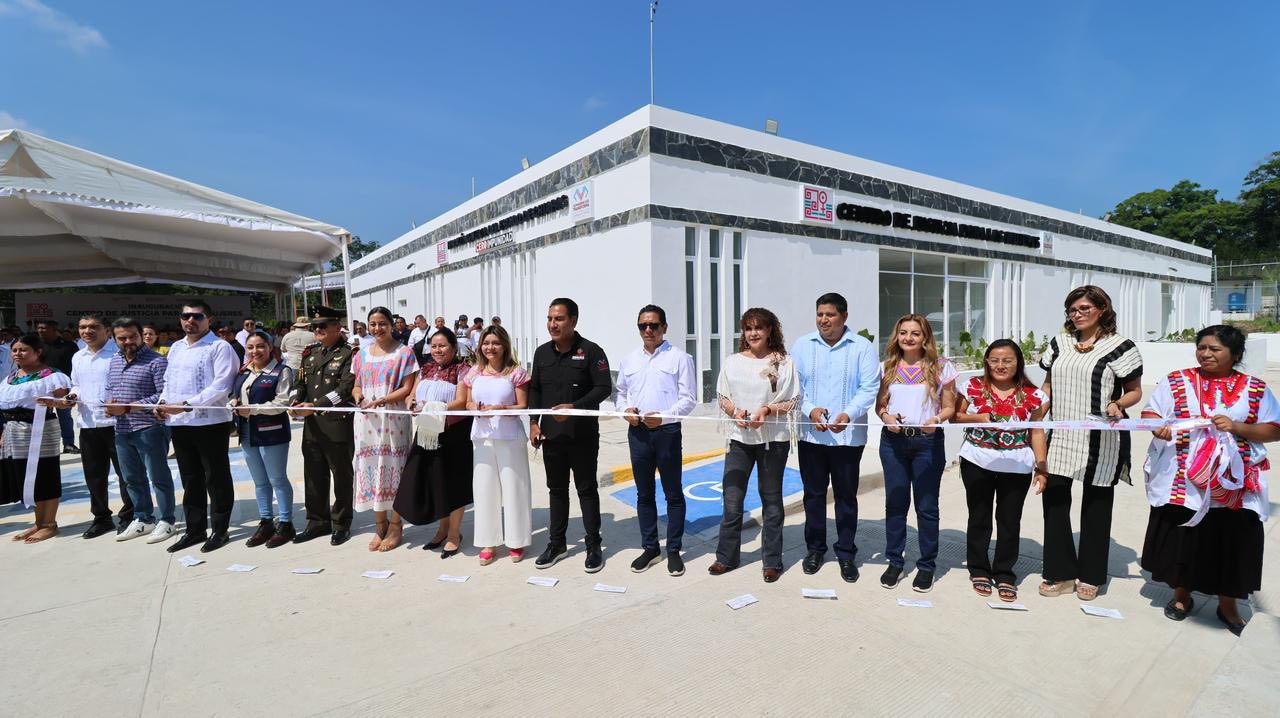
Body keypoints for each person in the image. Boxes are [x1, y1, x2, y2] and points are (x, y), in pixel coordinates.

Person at [1140, 325, 1279, 635]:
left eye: (1214, 349)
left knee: (1231, 542)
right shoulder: (1177, 381)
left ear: (1236, 354)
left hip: (1233, 483)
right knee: (1184, 537)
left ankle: (1227, 604)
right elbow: (1151, 412)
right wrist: (1158, 426)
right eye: (1202, 347)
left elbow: (1274, 428)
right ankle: (1181, 595)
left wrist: (1238, 427)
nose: (1205, 354)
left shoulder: (1254, 389)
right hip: (1183, 479)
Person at [1037, 285, 1143, 600]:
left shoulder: (1121, 346)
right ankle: (1061, 573)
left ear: (1102, 310)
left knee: (1096, 508)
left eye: (1085, 308)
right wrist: (1031, 415)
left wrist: (1119, 405)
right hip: (1060, 436)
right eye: (1073, 309)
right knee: (1055, 504)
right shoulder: (1060, 342)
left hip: (1101, 438)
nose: (1078, 314)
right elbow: (1047, 385)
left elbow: (1134, 390)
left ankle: (1092, 574)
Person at [791, 292, 880, 583]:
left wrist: (848, 414)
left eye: (830, 315)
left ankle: (845, 553)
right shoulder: (802, 345)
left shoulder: (862, 347)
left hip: (847, 438)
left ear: (844, 317)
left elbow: (869, 388)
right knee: (814, 496)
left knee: (845, 497)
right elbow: (796, 387)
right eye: (820, 314)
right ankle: (815, 549)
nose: (824, 320)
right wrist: (810, 410)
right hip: (811, 435)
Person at [952, 339, 1048, 602]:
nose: (1000, 365)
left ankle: (1005, 572)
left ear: (1018, 363)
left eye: (1007, 360)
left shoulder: (1033, 395)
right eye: (994, 360)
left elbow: (1037, 431)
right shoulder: (972, 387)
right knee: (979, 516)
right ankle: (979, 568)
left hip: (1017, 466)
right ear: (986, 362)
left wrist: (1042, 468)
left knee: (1009, 520)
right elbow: (955, 417)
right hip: (976, 460)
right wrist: (979, 418)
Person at [709, 308, 799, 582]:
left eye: (759, 328)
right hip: (739, 439)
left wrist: (768, 411)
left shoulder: (784, 362)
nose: (753, 333)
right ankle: (726, 557)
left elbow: (793, 400)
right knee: (733, 499)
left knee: (771, 500)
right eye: (748, 328)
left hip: (773, 441)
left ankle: (772, 561)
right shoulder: (733, 361)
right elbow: (723, 396)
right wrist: (734, 411)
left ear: (770, 330)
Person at [874, 313, 957, 593]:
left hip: (927, 443)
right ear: (897, 336)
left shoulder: (941, 367)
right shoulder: (887, 367)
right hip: (893, 444)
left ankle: (926, 566)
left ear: (925, 338)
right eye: (903, 332)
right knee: (895, 504)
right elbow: (880, 406)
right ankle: (895, 561)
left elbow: (949, 407)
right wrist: (886, 417)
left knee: (926, 506)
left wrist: (936, 420)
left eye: (915, 333)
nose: (908, 338)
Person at [529, 298, 612, 572]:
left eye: (559, 319)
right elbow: (536, 391)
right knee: (556, 490)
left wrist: (574, 408)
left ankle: (593, 545)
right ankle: (557, 544)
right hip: (551, 437)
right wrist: (533, 423)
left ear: (573, 321)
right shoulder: (541, 354)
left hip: (583, 436)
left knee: (586, 489)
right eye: (550, 318)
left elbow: (603, 388)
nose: (553, 324)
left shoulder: (591, 351)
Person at [616, 304, 697, 576]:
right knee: (643, 493)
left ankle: (673, 550)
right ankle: (650, 548)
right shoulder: (629, 360)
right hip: (638, 433)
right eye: (643, 326)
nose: (648, 330)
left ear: (664, 327)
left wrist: (663, 417)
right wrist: (624, 411)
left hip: (667, 433)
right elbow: (621, 394)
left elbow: (689, 400)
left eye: (653, 325)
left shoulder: (680, 358)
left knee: (673, 493)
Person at [155, 299, 241, 554]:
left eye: (197, 316)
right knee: (190, 478)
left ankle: (220, 529)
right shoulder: (176, 348)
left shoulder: (219, 347)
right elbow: (167, 381)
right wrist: (162, 402)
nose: (190, 320)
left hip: (210, 422)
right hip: (181, 423)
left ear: (209, 320)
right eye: (185, 316)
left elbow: (222, 386)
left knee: (216, 478)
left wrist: (186, 404)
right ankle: (194, 530)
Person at [394, 329, 474, 558]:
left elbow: (461, 401)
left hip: (454, 433)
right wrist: (412, 403)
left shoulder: (462, 370)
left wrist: (433, 405)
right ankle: (442, 528)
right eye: (434, 346)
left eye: (443, 346)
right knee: (435, 482)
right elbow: (412, 394)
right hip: (428, 432)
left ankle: (454, 533)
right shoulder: (426, 369)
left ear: (453, 347)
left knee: (454, 484)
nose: (438, 350)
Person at [462, 325, 532, 565]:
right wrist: (475, 408)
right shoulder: (474, 372)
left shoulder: (517, 373)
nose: (490, 347)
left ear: (504, 346)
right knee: (484, 489)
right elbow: (467, 403)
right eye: (486, 343)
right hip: (482, 437)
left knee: (515, 488)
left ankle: (517, 540)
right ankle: (488, 541)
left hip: (510, 437)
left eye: (495, 343)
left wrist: (502, 408)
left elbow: (523, 406)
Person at [351, 306, 419, 552]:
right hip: (367, 421)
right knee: (370, 468)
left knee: (393, 470)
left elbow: (407, 387)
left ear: (391, 325)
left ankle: (395, 525)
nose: (377, 328)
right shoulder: (361, 354)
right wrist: (359, 398)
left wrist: (382, 400)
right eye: (373, 324)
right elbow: (357, 385)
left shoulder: (404, 353)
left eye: (382, 323)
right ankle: (378, 524)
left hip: (393, 421)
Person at [289, 307, 356, 546]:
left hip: (336, 424)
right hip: (312, 426)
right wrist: (295, 401)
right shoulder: (311, 353)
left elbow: (346, 389)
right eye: (315, 326)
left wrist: (316, 405)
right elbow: (301, 383)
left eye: (324, 326)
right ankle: (317, 521)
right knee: (313, 476)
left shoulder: (349, 354)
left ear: (338, 328)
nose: (318, 330)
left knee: (341, 476)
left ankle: (341, 523)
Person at [63, 313, 135, 538]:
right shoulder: (78, 356)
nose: (87, 331)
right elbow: (76, 383)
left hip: (118, 424)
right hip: (88, 423)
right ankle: (101, 517)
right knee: (94, 475)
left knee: (126, 474)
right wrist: (72, 395)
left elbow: (129, 382)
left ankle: (129, 515)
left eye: (93, 327)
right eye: (83, 327)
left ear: (107, 331)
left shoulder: (119, 353)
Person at [106, 318, 176, 544]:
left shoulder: (156, 361)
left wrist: (127, 406)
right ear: (114, 339)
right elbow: (111, 389)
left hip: (149, 428)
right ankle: (143, 518)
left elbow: (162, 394)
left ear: (141, 335)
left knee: (158, 477)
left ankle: (167, 520)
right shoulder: (114, 361)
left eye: (132, 336)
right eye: (121, 338)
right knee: (131, 478)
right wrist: (110, 405)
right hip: (122, 428)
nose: (128, 342)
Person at [228, 331, 295, 548]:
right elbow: (234, 393)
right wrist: (234, 401)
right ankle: (266, 521)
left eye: (260, 346)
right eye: (250, 347)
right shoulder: (244, 371)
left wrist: (252, 409)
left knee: (277, 479)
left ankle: (285, 523)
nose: (255, 351)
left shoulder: (281, 371)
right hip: (247, 433)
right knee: (260, 482)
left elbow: (281, 403)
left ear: (269, 347)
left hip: (272, 432)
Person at [2, 334, 72, 542]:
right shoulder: (11, 378)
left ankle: (49, 523)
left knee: (45, 473)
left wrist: (59, 402)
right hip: (14, 431)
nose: (18, 354)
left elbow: (64, 400)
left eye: (23, 350)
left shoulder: (51, 375)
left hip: (41, 428)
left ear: (38, 352)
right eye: (15, 350)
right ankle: (38, 522)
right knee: (27, 477)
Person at [36, 319, 79, 454]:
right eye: (39, 328)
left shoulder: (69, 346)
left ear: (54, 330)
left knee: (65, 415)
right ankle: (41, 444)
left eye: (44, 328)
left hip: (63, 386)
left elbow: (75, 366)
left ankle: (68, 443)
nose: (40, 330)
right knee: (40, 415)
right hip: (41, 386)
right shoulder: (36, 346)